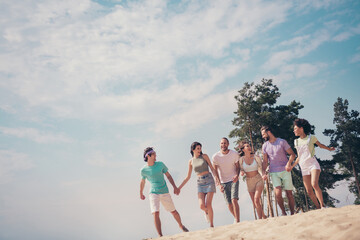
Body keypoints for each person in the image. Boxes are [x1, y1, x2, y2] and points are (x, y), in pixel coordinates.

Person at [139, 147, 189, 237]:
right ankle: (160, 236)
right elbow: (142, 182)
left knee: (173, 211)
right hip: (153, 192)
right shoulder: (143, 170)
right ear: (148, 156)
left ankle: (181, 225)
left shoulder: (160, 164)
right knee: (155, 213)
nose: (156, 156)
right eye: (154, 154)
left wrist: (175, 187)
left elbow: (169, 176)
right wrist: (141, 193)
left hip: (164, 191)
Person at [290, 118, 335, 209]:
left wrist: (329, 149)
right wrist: (292, 166)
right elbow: (299, 157)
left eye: (295, 128)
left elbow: (321, 145)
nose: (294, 130)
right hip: (303, 167)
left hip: (313, 164)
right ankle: (318, 207)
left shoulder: (311, 138)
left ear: (301, 128)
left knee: (314, 184)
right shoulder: (296, 141)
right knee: (309, 191)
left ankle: (322, 205)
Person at [178, 142, 220, 227]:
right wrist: (179, 188)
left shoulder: (204, 156)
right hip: (200, 183)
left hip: (209, 180)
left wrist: (216, 178)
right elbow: (188, 177)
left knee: (208, 204)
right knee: (201, 206)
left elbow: (212, 168)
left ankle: (211, 225)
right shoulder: (191, 161)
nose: (199, 150)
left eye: (200, 148)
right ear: (193, 150)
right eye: (198, 148)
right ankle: (207, 212)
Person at [261, 126, 296, 216]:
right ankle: (284, 213)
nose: (263, 136)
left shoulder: (282, 142)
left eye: (264, 134)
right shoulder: (265, 146)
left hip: (285, 170)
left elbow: (292, 154)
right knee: (278, 193)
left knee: (289, 193)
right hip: (273, 172)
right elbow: (265, 161)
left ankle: (292, 213)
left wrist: (289, 164)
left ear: (269, 132)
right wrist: (263, 173)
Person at [212, 137, 241, 223]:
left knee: (234, 200)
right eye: (221, 143)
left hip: (233, 179)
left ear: (228, 144)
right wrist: (219, 184)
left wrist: (236, 175)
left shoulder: (234, 154)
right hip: (223, 182)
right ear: (220, 145)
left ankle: (238, 221)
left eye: (225, 143)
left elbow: (238, 167)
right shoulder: (215, 157)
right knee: (229, 204)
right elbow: (215, 171)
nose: (223, 145)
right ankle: (236, 218)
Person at [238, 141, 267, 219]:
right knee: (255, 203)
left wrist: (263, 175)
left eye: (249, 145)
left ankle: (260, 220)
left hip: (258, 179)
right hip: (249, 181)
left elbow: (260, 169)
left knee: (256, 199)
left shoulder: (256, 157)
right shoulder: (241, 160)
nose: (249, 147)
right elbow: (241, 169)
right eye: (247, 146)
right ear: (243, 149)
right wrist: (242, 172)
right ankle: (264, 216)